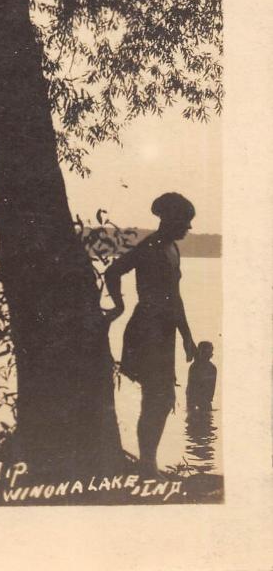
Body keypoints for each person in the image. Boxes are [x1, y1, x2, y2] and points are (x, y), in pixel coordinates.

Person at [104, 192, 197, 476]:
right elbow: (113, 271)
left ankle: (148, 463)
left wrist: (187, 337)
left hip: (164, 331)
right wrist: (119, 305)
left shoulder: (172, 249)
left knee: (162, 397)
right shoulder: (150, 247)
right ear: (169, 218)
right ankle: (148, 464)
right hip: (146, 329)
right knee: (156, 396)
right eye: (185, 221)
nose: (189, 227)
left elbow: (175, 296)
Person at [186, 341, 217, 411]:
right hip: (193, 399)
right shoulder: (194, 367)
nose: (208, 354)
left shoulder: (212, 368)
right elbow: (190, 387)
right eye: (205, 352)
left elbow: (211, 388)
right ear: (200, 352)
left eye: (209, 352)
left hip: (205, 400)